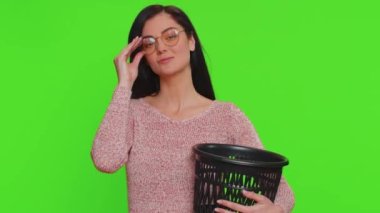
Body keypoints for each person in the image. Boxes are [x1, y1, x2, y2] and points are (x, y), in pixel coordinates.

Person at [91, 4, 295, 213]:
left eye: (170, 36)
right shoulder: (134, 113)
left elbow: (284, 193)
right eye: (149, 43)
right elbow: (106, 160)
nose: (161, 47)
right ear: (143, 55)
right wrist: (124, 84)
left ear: (191, 40)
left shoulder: (227, 116)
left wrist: (275, 210)